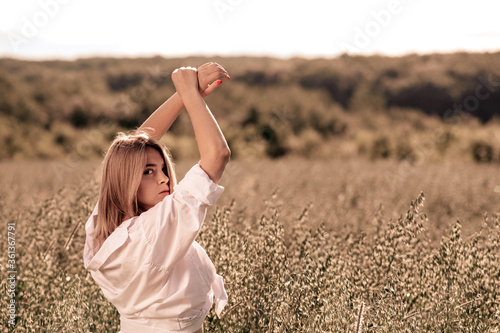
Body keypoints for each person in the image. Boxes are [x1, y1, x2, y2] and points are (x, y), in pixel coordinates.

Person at [83, 62, 231, 333]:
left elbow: (138, 142)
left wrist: (185, 93)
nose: (164, 178)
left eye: (163, 168)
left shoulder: (104, 225)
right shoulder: (152, 231)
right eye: (148, 172)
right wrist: (190, 94)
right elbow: (217, 155)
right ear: (126, 180)